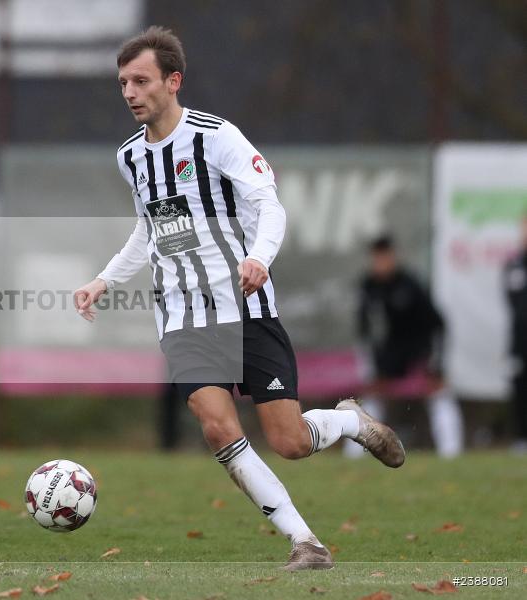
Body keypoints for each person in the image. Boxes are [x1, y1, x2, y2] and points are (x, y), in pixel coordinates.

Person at [73, 26, 405, 571]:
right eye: (123, 83)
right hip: (182, 315)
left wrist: (259, 257)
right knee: (217, 427)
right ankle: (306, 543)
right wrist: (104, 279)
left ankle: (349, 422)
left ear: (173, 81)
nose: (130, 93)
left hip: (245, 307)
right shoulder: (130, 156)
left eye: (141, 81)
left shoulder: (217, 136)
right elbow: (147, 230)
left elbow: (269, 206)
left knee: (290, 441)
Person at [347, 235, 463, 459]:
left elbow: (437, 323)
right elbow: (364, 328)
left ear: (393, 257)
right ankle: (354, 452)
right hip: (390, 350)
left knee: (438, 391)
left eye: (384, 257)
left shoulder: (410, 283)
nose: (380, 263)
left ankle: (451, 451)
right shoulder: (368, 286)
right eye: (376, 258)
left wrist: (436, 359)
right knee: (373, 393)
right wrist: (369, 360)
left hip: (419, 347)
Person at [503, 217, 527, 453]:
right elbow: (513, 302)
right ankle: (522, 438)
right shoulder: (514, 265)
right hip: (520, 342)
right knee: (520, 389)